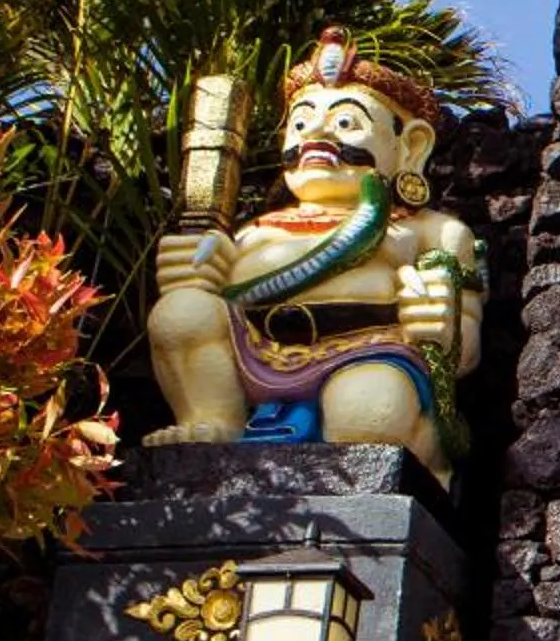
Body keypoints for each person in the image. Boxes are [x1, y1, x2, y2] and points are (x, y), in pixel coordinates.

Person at [146, 29, 484, 478]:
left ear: (411, 145)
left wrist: (444, 328)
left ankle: (414, 462)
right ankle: (214, 423)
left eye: (346, 123)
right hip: (257, 353)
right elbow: (206, 305)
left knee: (368, 414)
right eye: (301, 123)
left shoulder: (433, 232)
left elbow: (465, 347)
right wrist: (192, 272)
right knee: (182, 312)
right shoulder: (254, 232)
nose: (316, 135)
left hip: (370, 354)